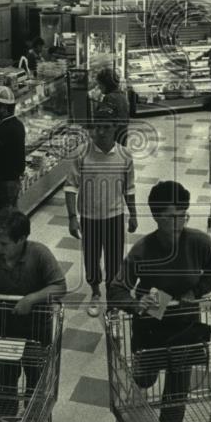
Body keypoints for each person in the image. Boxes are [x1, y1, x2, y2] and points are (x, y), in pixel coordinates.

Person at [108, 181, 211, 422]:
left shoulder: (198, 242)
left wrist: (194, 292)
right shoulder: (143, 250)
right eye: (171, 217)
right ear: (156, 216)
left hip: (185, 321)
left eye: (183, 216)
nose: (179, 223)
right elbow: (116, 289)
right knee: (144, 378)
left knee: (177, 386)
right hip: (151, 319)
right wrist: (136, 304)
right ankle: (145, 379)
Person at [0, 209, 66, 418]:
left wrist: (31, 299)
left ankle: (33, 414)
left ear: (22, 239)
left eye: (4, 244)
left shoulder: (40, 254)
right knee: (4, 374)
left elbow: (60, 286)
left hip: (37, 328)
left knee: (36, 374)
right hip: (4, 327)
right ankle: (7, 414)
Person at [65, 107, 137, 318]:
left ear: (115, 128)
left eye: (106, 127)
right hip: (89, 217)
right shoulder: (82, 153)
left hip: (115, 216)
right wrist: (72, 218)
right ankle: (96, 293)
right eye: (97, 127)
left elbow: (129, 188)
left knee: (115, 260)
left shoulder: (124, 155)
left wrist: (133, 214)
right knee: (91, 257)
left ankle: (113, 300)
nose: (101, 132)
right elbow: (70, 186)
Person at [94, 68, 130, 145]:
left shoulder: (110, 98)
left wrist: (97, 102)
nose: (99, 87)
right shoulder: (122, 95)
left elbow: (102, 121)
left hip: (113, 138)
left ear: (106, 84)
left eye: (100, 84)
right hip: (122, 136)